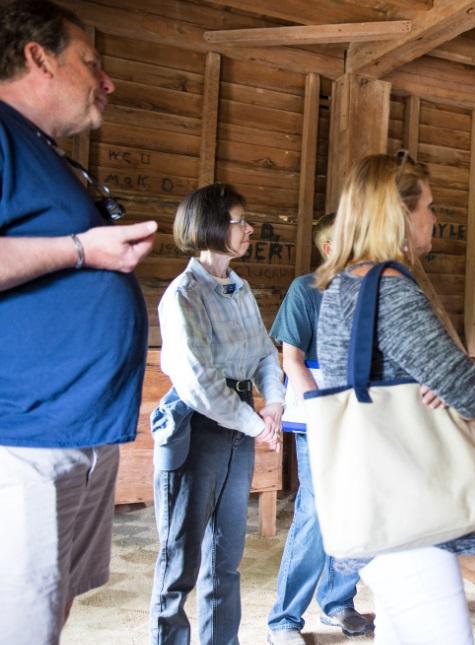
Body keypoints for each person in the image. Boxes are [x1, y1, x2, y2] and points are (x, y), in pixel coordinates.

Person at [0, 2, 157, 642]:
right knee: (20, 615)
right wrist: (81, 250)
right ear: (38, 57)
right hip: (22, 436)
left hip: (81, 429)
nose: (107, 81)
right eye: (91, 62)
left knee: (53, 606)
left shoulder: (45, 152)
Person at [313, 151, 475, 644]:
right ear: (400, 213)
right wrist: (467, 369)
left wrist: (439, 377)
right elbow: (472, 395)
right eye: (429, 206)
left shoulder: (342, 285)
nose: (434, 217)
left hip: (378, 500)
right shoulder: (390, 290)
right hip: (409, 514)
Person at [149, 183, 284, 645]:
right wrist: (256, 424)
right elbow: (199, 383)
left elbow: (266, 354)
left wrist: (275, 405)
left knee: (225, 559)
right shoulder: (183, 295)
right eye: (238, 220)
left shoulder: (239, 289)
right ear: (210, 226)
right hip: (198, 428)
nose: (248, 229)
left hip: (241, 426)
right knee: (179, 562)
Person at [265, 213, 374, 644]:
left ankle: (338, 603)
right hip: (319, 416)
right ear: (329, 249)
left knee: (360, 511)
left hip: (363, 413)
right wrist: (325, 409)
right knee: (315, 513)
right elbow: (291, 359)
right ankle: (285, 620)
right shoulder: (304, 290)